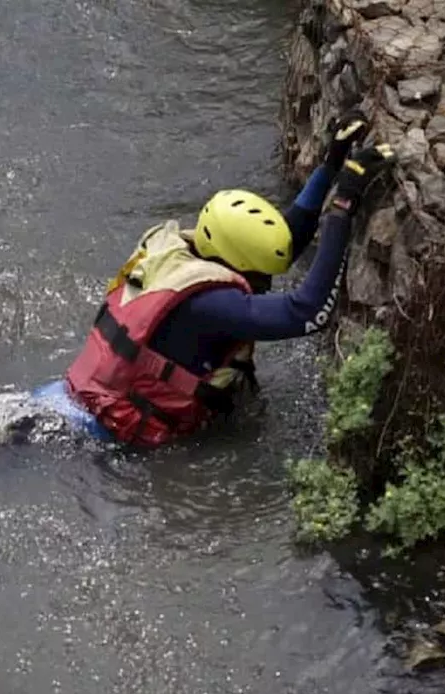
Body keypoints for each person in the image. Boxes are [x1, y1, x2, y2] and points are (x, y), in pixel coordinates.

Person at [62, 112, 396, 447]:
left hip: (80, 395)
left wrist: (331, 165)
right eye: (260, 272)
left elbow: (284, 241)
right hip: (108, 436)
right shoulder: (212, 305)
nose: (266, 278)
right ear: (238, 262)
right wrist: (343, 207)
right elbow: (309, 312)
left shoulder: (190, 249)